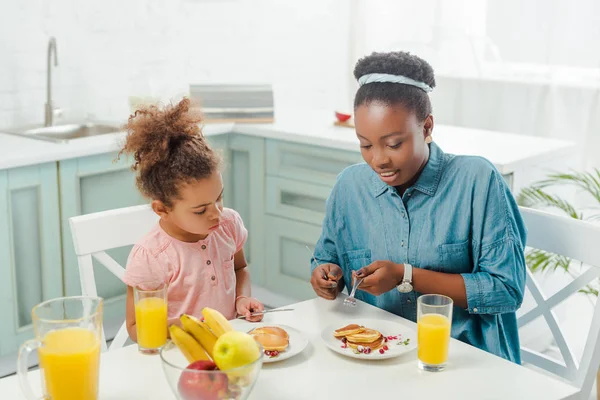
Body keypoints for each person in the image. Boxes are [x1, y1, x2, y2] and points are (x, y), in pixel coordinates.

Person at [309, 51, 527, 364]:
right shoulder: (349, 186)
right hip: (379, 356)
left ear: (426, 128)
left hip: (464, 360)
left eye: (394, 144)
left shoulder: (477, 181)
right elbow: (326, 257)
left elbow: (505, 290)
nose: (379, 160)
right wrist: (326, 274)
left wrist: (406, 275)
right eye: (365, 145)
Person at [119, 98, 264, 342]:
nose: (216, 213)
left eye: (219, 198)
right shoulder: (152, 257)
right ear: (162, 209)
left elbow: (241, 268)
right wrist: (186, 329)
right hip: (179, 355)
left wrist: (242, 298)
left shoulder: (228, 225)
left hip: (229, 345)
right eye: (200, 210)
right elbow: (135, 328)